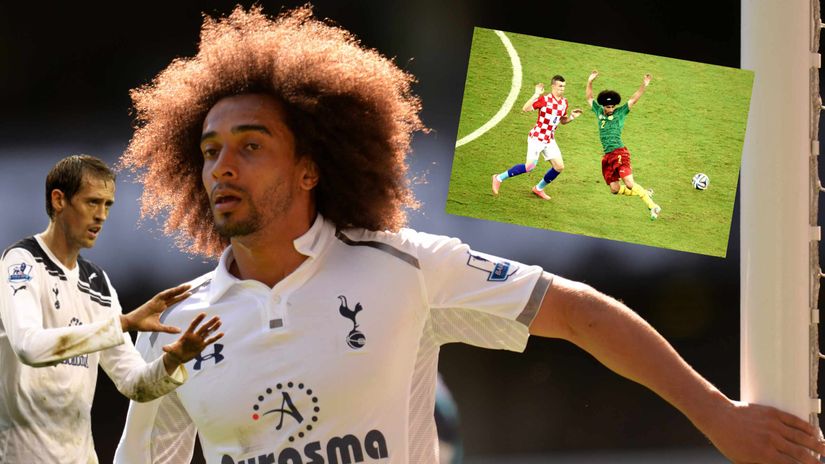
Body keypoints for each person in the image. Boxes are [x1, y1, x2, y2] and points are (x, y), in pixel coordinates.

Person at [115, 6, 823, 464]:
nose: (222, 166)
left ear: (308, 169)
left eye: (249, 145)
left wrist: (720, 417)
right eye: (208, 151)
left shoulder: (404, 271)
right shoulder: (172, 326)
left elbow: (577, 313)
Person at [0, 154, 224, 463]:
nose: (101, 216)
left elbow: (136, 384)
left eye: (107, 205)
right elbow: (29, 347)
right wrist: (123, 324)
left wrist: (172, 360)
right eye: (92, 202)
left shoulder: (97, 284)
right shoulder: (21, 262)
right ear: (59, 200)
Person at [586, 70, 662, 219]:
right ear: (603, 106)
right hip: (607, 156)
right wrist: (590, 81)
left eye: (612, 106)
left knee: (629, 183)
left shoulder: (621, 112)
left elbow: (633, 99)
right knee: (614, 189)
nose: (610, 109)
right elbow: (589, 97)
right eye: (608, 107)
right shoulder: (598, 111)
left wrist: (644, 85)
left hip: (620, 152)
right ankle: (645, 192)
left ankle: (652, 206)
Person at [491, 75, 583, 200]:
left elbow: (562, 121)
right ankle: (498, 178)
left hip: (549, 139)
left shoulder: (564, 102)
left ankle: (538, 188)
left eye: (564, 86)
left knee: (559, 166)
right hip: (537, 137)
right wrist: (535, 94)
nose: (562, 89)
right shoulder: (544, 100)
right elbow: (525, 108)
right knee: (529, 167)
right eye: (560, 86)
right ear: (553, 86)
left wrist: (571, 117)